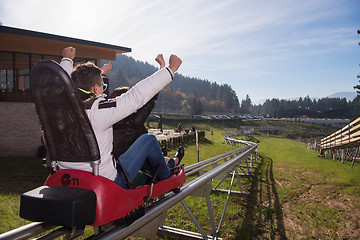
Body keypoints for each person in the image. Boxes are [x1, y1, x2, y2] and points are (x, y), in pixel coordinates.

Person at [58, 47, 184, 189]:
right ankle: (167, 178)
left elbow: (60, 83)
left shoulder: (59, 108)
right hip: (105, 181)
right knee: (149, 140)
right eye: (102, 86)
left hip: (67, 177)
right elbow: (136, 96)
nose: (104, 90)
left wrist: (67, 60)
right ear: (95, 89)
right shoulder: (98, 110)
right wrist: (170, 70)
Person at [110, 54, 165, 159]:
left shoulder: (107, 117)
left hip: (115, 161)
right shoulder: (133, 122)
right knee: (149, 139)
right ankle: (169, 164)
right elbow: (150, 99)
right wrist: (162, 71)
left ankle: (166, 158)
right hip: (133, 165)